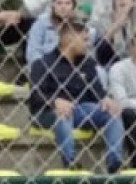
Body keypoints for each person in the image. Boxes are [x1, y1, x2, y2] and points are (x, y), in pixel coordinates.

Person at [28, 21, 123, 173]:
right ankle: (69, 162)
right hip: (47, 111)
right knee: (63, 114)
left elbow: (98, 91)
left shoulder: (88, 64)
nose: (87, 44)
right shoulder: (42, 63)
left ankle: (115, 163)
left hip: (80, 109)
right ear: (69, 39)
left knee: (111, 113)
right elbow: (35, 95)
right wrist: (54, 101)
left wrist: (105, 99)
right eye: (84, 40)